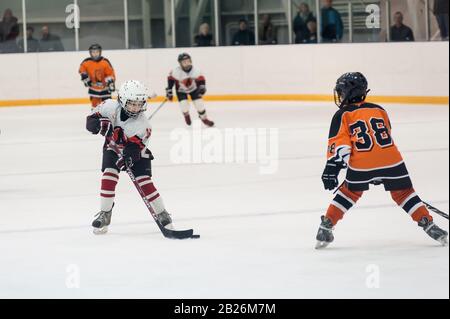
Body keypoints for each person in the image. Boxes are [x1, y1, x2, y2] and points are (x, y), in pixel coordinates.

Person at [315, 72, 448, 249]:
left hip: (362, 163)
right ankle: (429, 225)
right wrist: (381, 170)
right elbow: (385, 135)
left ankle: (326, 226)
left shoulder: (342, 114)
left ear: (347, 93)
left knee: (349, 192)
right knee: (404, 194)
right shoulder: (379, 109)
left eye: (341, 92)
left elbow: (340, 147)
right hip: (392, 160)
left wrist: (332, 169)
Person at [86, 80, 174, 234]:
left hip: (136, 152)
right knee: (109, 174)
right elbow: (90, 119)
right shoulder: (109, 106)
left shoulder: (143, 125)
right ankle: (105, 214)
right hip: (112, 149)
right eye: (132, 103)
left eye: (139, 104)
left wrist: (128, 157)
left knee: (144, 181)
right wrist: (97, 125)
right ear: (122, 100)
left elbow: (135, 149)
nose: (136, 108)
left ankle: (162, 213)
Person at [166, 53, 214, 127]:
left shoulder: (196, 70)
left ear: (191, 61)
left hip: (194, 89)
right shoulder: (175, 71)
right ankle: (186, 115)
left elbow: (201, 80)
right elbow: (170, 80)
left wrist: (201, 87)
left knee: (199, 104)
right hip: (181, 90)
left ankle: (204, 119)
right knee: (184, 105)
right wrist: (169, 90)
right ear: (180, 63)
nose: (186, 63)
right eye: (184, 62)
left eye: (188, 61)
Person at [79, 44, 116, 109]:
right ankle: (95, 118)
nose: (95, 54)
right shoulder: (86, 62)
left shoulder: (105, 62)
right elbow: (82, 70)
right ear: (90, 53)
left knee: (107, 107)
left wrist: (110, 82)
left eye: (97, 52)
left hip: (105, 89)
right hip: (94, 89)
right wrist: (85, 78)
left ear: (100, 52)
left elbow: (111, 74)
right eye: (93, 52)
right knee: (95, 108)